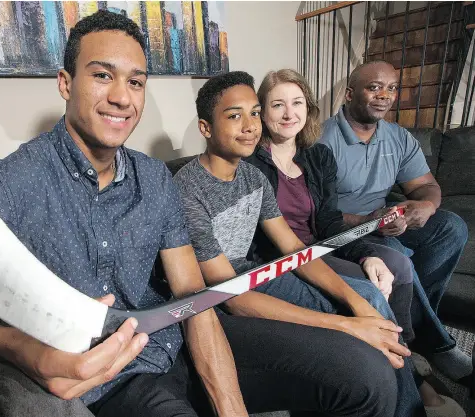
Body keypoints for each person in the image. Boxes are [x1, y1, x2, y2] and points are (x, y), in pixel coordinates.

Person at [0, 11, 249, 417]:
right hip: (114, 385)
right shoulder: (9, 184)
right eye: (103, 75)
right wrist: (18, 347)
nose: (123, 97)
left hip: (175, 347)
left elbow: (191, 297)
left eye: (135, 82)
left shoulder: (154, 177)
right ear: (65, 84)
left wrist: (231, 407)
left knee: (327, 367)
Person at [173, 70, 422, 417]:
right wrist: (350, 324)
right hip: (219, 300)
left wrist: (359, 304)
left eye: (254, 113)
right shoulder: (188, 189)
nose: (250, 125)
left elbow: (296, 251)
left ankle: (407, 407)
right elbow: (231, 296)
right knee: (354, 329)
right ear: (206, 128)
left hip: (257, 273)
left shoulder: (252, 176)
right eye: (234, 116)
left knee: (367, 296)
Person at [246, 68, 464, 416]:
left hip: (321, 247)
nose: (289, 114)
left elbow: (329, 223)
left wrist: (366, 254)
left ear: (308, 108)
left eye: (297, 103)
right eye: (277, 105)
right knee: (371, 292)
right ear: (262, 112)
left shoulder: (316, 157)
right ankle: (413, 391)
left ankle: (408, 351)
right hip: (285, 260)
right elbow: (271, 244)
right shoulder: (251, 164)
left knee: (393, 265)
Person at [319, 60, 471, 384]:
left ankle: (415, 323)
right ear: (349, 94)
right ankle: (435, 344)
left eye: (391, 88)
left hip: (384, 218)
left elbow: (426, 186)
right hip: (345, 230)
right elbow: (316, 212)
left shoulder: (397, 137)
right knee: (394, 255)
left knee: (451, 227)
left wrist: (424, 207)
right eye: (374, 87)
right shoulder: (323, 140)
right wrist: (367, 220)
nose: (384, 95)